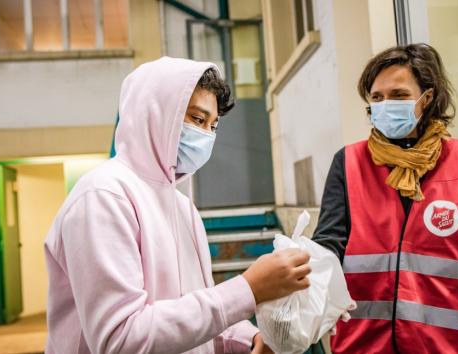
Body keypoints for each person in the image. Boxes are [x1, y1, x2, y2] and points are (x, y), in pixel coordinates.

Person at [44, 57, 311, 354]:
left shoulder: (182, 207)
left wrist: (248, 339)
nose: (206, 136)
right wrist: (247, 289)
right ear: (155, 115)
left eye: (213, 126)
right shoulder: (103, 196)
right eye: (198, 120)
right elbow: (120, 340)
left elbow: (200, 311)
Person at [312, 43, 458, 353]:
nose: (385, 104)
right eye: (377, 97)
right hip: (363, 344)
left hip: (449, 345)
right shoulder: (350, 163)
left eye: (399, 95)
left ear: (427, 98)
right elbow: (328, 244)